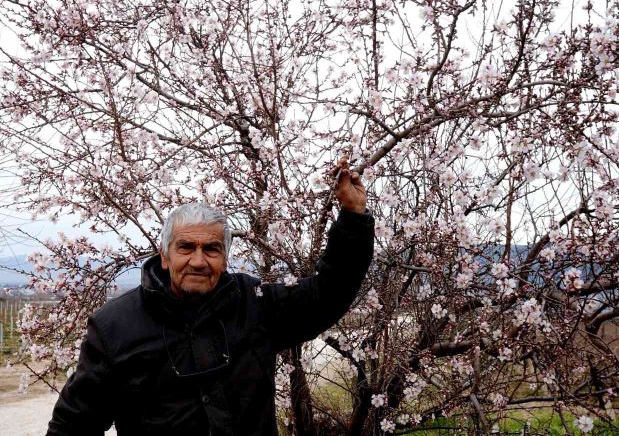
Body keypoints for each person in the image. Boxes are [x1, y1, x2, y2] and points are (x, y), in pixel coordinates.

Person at [47, 160, 374, 436]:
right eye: (186, 247)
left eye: (212, 249)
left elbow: (328, 293)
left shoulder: (255, 303)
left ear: (226, 256)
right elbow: (74, 425)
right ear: (165, 255)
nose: (199, 261)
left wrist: (353, 216)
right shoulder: (114, 326)